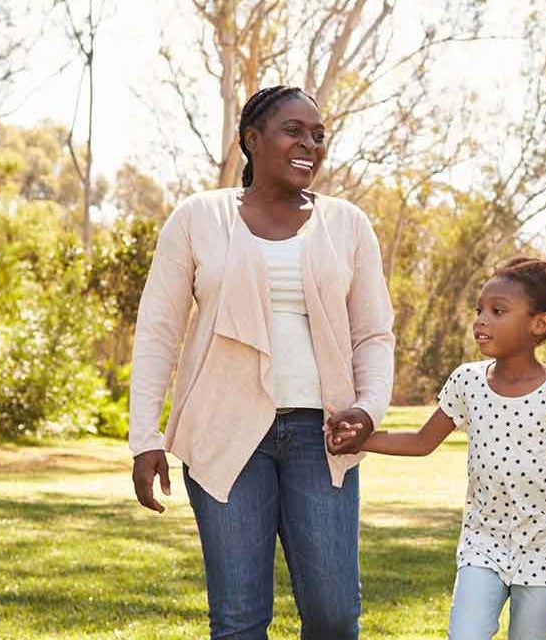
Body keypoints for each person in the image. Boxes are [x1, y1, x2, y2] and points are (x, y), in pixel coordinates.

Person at [127, 85, 395, 640]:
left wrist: (368, 409)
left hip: (323, 437)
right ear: (252, 139)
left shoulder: (348, 224)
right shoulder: (198, 217)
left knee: (334, 615)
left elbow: (373, 333)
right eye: (293, 131)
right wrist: (144, 437)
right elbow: (158, 330)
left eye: (318, 135)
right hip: (224, 434)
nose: (310, 145)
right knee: (239, 619)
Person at [328, 257, 546, 640]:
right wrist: (362, 438)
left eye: (497, 311)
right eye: (480, 310)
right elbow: (423, 441)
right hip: (483, 540)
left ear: (538, 324)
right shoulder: (466, 382)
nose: (481, 320)